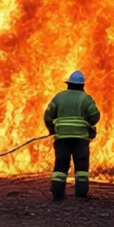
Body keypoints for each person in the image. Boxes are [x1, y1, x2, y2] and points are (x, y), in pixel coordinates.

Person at [43, 70, 100, 200]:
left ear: (68, 84)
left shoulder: (58, 97)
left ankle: (57, 195)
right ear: (82, 86)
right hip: (80, 139)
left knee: (61, 165)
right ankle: (81, 194)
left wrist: (52, 128)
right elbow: (95, 116)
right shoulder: (86, 99)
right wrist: (87, 124)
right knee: (81, 166)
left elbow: (48, 115)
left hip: (62, 138)